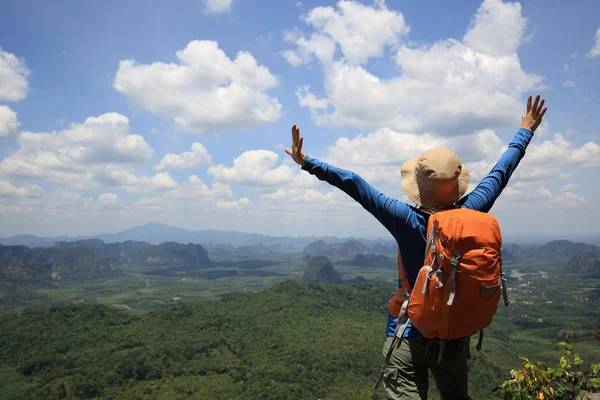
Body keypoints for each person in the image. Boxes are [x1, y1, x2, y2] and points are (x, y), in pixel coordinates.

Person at [285, 94, 547, 400]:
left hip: (407, 335)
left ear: (419, 188)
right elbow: (501, 172)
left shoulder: (404, 219)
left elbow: (354, 183)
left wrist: (307, 162)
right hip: (452, 337)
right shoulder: (475, 209)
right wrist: (525, 130)